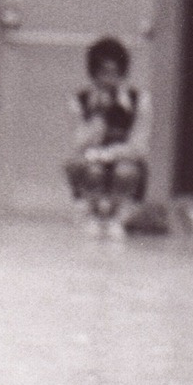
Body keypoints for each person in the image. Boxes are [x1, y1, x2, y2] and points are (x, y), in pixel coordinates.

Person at [64, 36, 151, 239]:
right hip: (92, 160)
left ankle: (117, 218)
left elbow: (138, 145)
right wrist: (98, 116)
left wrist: (109, 154)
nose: (108, 80)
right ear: (93, 74)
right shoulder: (80, 101)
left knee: (125, 171)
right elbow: (79, 143)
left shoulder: (140, 101)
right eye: (103, 73)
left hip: (124, 159)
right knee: (91, 170)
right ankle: (93, 215)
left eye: (114, 73)